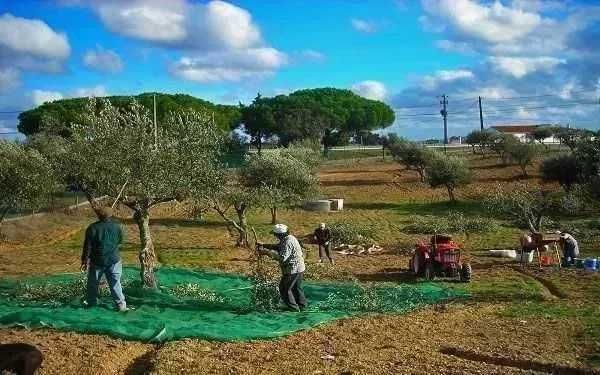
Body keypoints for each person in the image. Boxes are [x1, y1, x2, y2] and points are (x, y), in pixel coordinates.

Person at [81, 206, 128, 311]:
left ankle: (91, 304)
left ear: (98, 216)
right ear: (110, 215)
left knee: (93, 284)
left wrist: (84, 261)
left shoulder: (92, 228)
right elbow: (120, 241)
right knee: (115, 283)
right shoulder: (117, 227)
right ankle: (121, 306)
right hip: (114, 260)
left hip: (98, 261)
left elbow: (87, 247)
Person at [258, 224, 307, 312]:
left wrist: (266, 252)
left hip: (292, 269)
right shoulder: (289, 238)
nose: (274, 236)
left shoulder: (287, 242)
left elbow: (282, 258)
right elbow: (279, 247)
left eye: (275, 234)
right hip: (299, 268)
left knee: (284, 289)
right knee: (296, 288)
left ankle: (293, 308)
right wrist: (265, 245)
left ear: (280, 235)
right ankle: (302, 306)